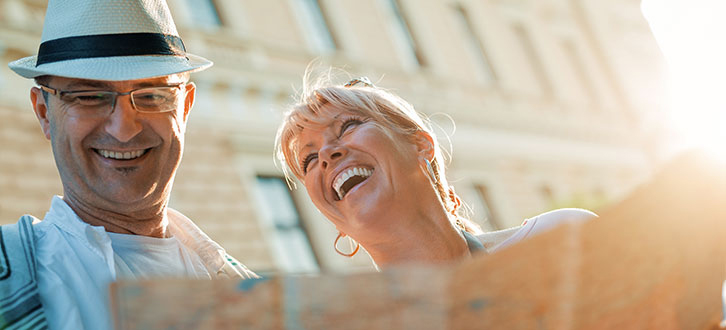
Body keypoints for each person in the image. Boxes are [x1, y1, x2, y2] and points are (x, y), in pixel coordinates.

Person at [1, 0, 257, 329]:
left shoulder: (244, 286)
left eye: (152, 95)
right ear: (44, 112)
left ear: (185, 108)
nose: (124, 130)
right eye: (88, 96)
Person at [275, 74, 596, 269]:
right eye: (310, 160)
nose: (328, 154)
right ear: (334, 220)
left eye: (348, 126)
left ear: (421, 146)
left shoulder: (563, 238)